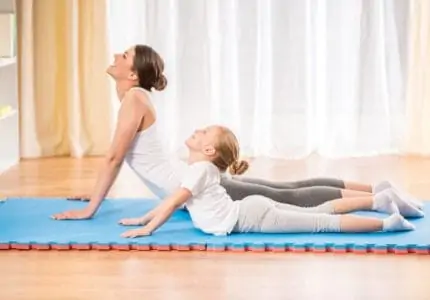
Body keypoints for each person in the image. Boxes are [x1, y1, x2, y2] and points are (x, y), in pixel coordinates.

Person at [51, 44, 424, 221]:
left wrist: (90, 209)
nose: (116, 55)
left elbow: (115, 157)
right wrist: (95, 194)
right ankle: (379, 191)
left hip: (198, 184)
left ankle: (379, 197)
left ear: (132, 74)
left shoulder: (133, 99)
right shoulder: (136, 97)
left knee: (292, 195)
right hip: (191, 181)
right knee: (288, 190)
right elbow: (129, 161)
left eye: (124, 56)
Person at [118, 125, 417, 238]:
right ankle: (378, 202)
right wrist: (141, 218)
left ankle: (382, 217)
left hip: (250, 216)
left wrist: (147, 229)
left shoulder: (197, 172)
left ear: (209, 151)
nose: (196, 130)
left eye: (202, 133)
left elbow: (172, 202)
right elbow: (169, 200)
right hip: (249, 211)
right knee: (317, 212)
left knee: (320, 220)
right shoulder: (196, 170)